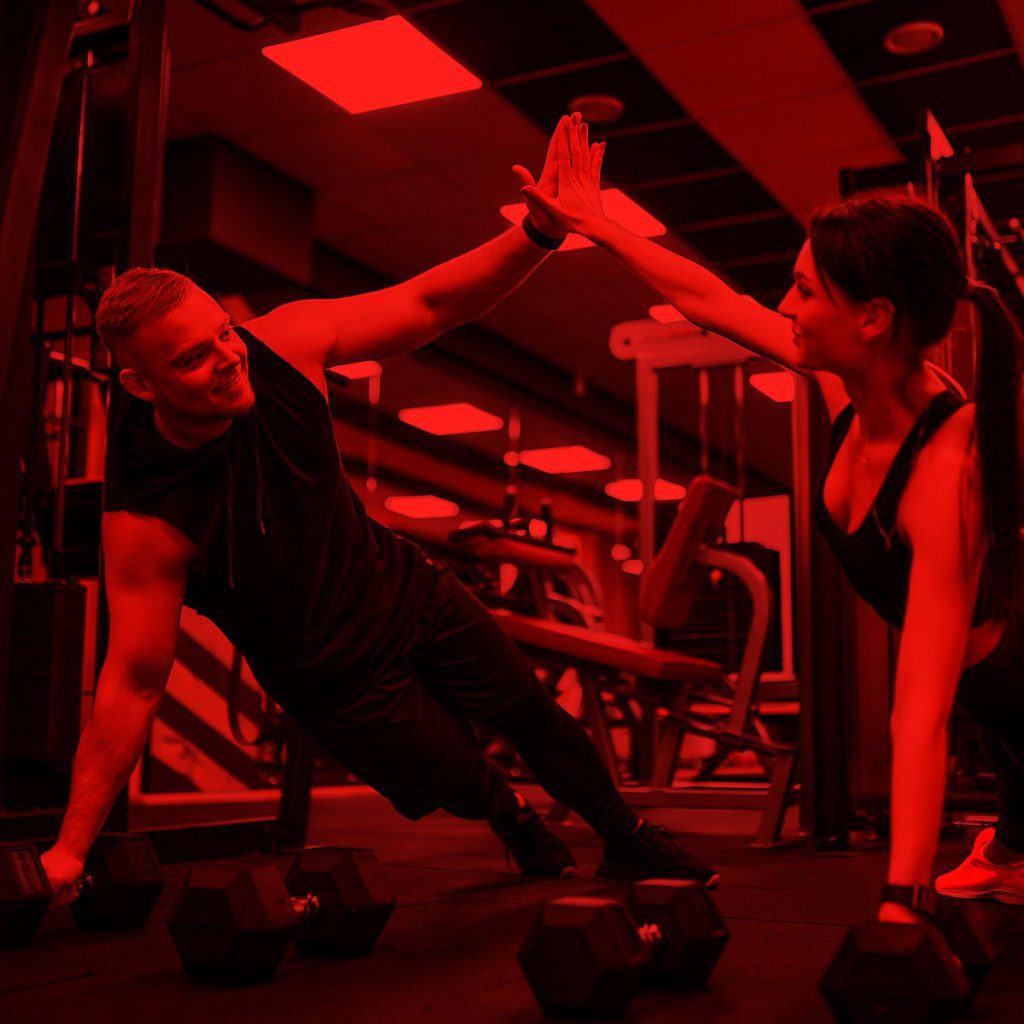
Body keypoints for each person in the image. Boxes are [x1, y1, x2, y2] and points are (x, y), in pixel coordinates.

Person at [40, 115, 717, 905]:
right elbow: (133, 680)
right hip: (328, 671)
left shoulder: (283, 346)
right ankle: (511, 815)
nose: (227, 358)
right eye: (193, 358)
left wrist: (538, 232)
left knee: (528, 708)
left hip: (401, 587)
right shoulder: (148, 515)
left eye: (222, 332)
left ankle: (626, 838)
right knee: (453, 772)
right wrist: (68, 849)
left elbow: (430, 303)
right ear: (140, 384)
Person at [521, 116, 1024, 923]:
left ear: (872, 318)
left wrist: (901, 902)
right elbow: (710, 301)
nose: (786, 305)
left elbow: (920, 713)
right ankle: (1010, 845)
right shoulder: (849, 385)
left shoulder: (942, 469)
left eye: (805, 290)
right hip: (997, 713)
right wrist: (597, 223)